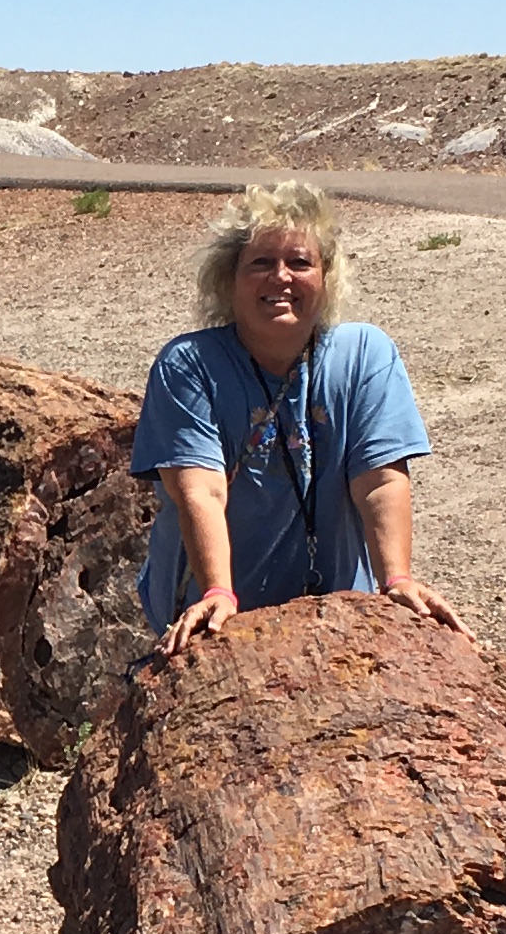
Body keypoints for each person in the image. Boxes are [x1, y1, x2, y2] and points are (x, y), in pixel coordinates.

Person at [134, 180, 467, 653]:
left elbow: (379, 481)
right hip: (222, 615)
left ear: (327, 277)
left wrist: (396, 579)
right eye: (261, 263)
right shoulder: (189, 365)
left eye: (300, 262)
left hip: (339, 609)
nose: (281, 278)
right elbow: (200, 490)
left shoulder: (365, 355)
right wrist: (218, 591)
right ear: (229, 278)